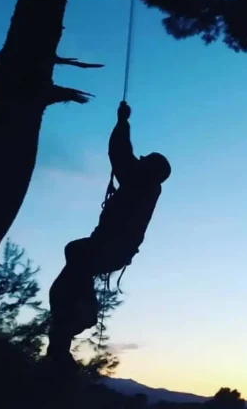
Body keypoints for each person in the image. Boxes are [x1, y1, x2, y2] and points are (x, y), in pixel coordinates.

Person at [47, 101, 171, 368]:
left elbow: (120, 154)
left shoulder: (143, 182)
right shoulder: (146, 185)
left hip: (108, 249)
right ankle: (69, 328)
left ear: (150, 168)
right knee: (70, 271)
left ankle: (79, 318)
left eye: (145, 159)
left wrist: (122, 121)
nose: (141, 159)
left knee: (73, 262)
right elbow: (124, 159)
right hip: (110, 250)